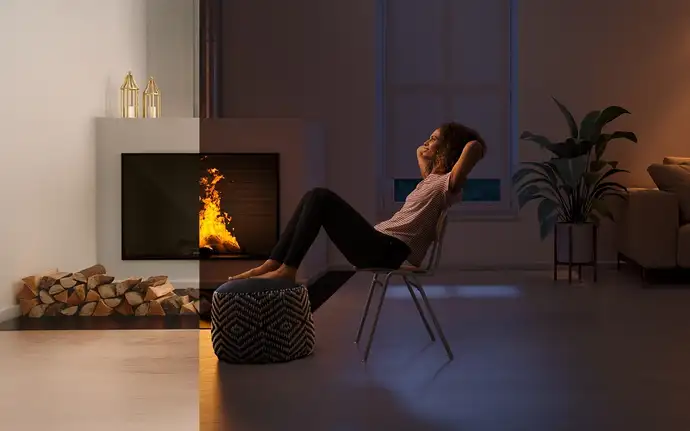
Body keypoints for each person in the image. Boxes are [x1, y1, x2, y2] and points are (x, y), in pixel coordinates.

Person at [229, 121, 487, 283]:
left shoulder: (449, 186)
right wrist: (423, 153)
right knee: (312, 196)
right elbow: (428, 173)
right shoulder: (433, 181)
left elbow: (473, 148)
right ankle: (273, 263)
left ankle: (287, 269)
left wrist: (463, 141)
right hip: (380, 245)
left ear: (448, 147)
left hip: (387, 250)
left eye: (434, 139)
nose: (426, 142)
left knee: (320, 196)